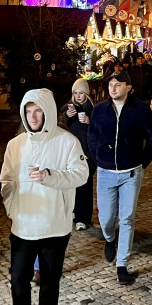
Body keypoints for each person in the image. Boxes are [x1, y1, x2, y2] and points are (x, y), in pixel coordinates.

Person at [0, 89, 89, 305]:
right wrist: (12, 208)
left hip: (54, 225)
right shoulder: (16, 145)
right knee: (18, 279)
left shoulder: (68, 142)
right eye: (28, 111)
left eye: (37, 110)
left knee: (50, 280)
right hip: (24, 226)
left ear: (48, 111)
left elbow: (81, 174)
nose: (33, 116)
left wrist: (51, 176)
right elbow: (6, 181)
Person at [88, 70, 152, 285]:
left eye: (118, 84)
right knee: (106, 218)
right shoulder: (100, 110)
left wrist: (142, 162)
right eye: (110, 84)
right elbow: (92, 137)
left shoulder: (141, 110)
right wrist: (99, 157)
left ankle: (122, 264)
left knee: (127, 218)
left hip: (131, 173)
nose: (113, 88)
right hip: (106, 173)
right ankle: (110, 239)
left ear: (129, 87)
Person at [60, 78, 96, 231]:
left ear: (86, 94)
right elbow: (60, 127)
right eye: (75, 93)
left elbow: (99, 130)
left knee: (85, 186)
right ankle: (71, 214)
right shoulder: (67, 108)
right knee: (70, 185)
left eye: (81, 93)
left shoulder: (93, 110)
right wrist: (67, 116)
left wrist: (89, 122)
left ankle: (83, 217)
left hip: (87, 152)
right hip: (70, 153)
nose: (78, 96)